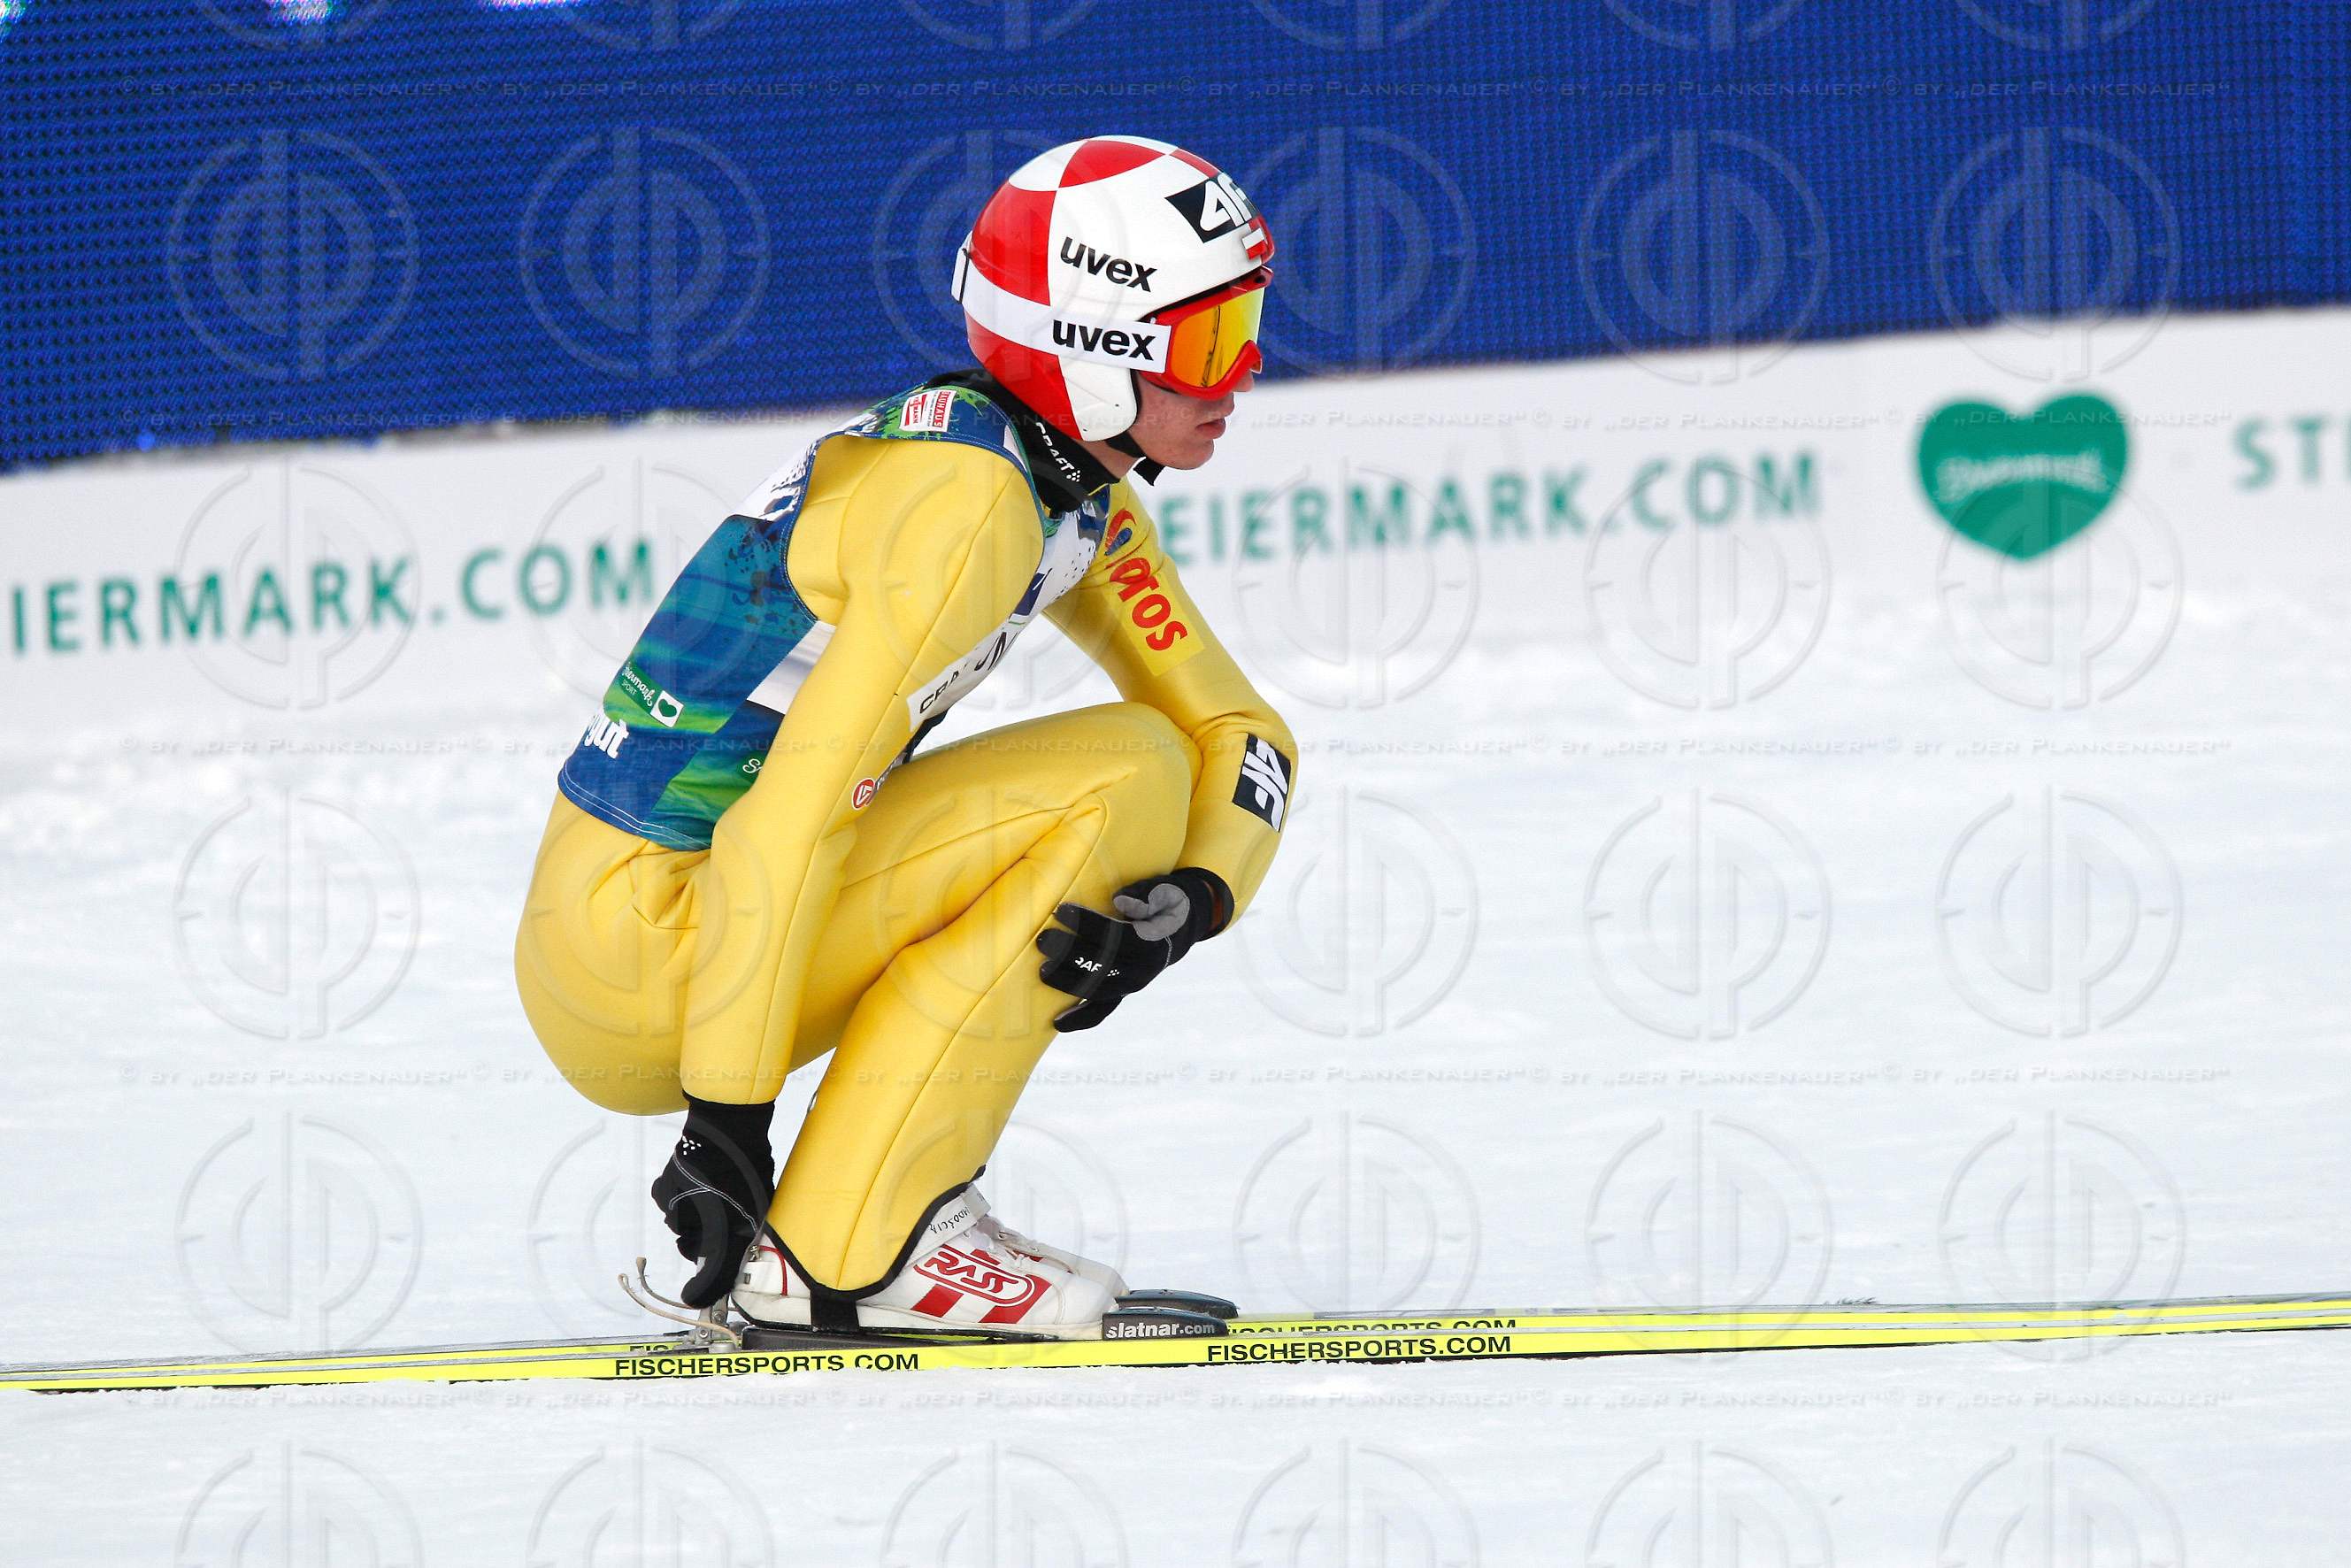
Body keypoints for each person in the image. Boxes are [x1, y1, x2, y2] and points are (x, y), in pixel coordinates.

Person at [513, 135, 1296, 1339]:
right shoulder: (965, 511)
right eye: (1202, 345)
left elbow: (1239, 729)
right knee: (1126, 774)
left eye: (1242, 328)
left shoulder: (1056, 488)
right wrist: (727, 1121)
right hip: (654, 944)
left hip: (640, 931)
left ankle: (855, 1234)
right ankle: (856, 1248)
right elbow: (784, 827)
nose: (1237, 375)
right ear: (1088, 354)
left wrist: (1198, 893)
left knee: (1153, 766)